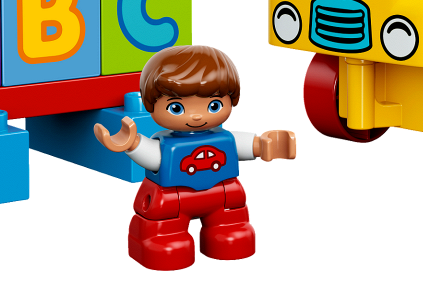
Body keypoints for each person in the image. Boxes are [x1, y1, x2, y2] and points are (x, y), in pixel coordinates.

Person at [95, 44, 296, 270]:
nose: (197, 116)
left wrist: (264, 144)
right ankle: (163, 239)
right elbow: (152, 157)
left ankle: (227, 230)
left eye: (213, 105)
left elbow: (244, 144)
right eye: (177, 108)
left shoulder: (225, 138)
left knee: (231, 226)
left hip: (223, 194)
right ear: (151, 105)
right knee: (165, 237)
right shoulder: (165, 144)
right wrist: (132, 144)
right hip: (172, 199)